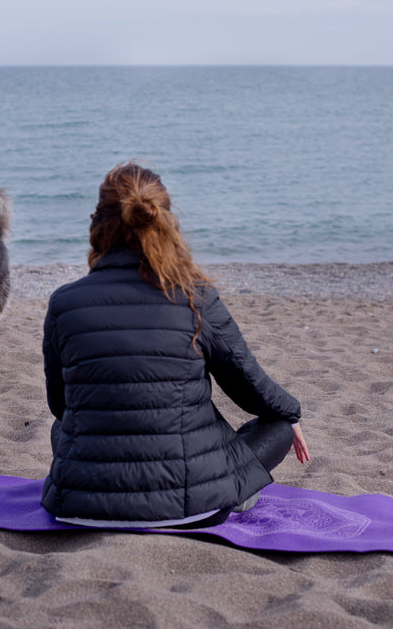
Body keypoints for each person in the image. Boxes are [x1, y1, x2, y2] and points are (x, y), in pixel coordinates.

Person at [41, 162, 310, 529]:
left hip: (79, 507)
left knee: (64, 429)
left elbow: (60, 406)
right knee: (278, 424)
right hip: (190, 509)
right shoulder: (195, 297)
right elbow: (251, 389)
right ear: (165, 221)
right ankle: (238, 492)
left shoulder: (64, 303)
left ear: (98, 224)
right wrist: (291, 412)